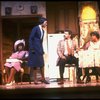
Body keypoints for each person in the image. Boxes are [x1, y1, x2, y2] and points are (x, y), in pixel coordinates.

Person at [28, 17, 49, 84]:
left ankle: (43, 78)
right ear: (42, 22)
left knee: (42, 64)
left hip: (39, 49)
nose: (46, 24)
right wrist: (32, 48)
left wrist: (42, 50)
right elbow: (31, 38)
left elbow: (40, 42)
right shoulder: (35, 28)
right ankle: (35, 79)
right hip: (34, 49)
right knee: (35, 65)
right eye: (45, 23)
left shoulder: (43, 31)